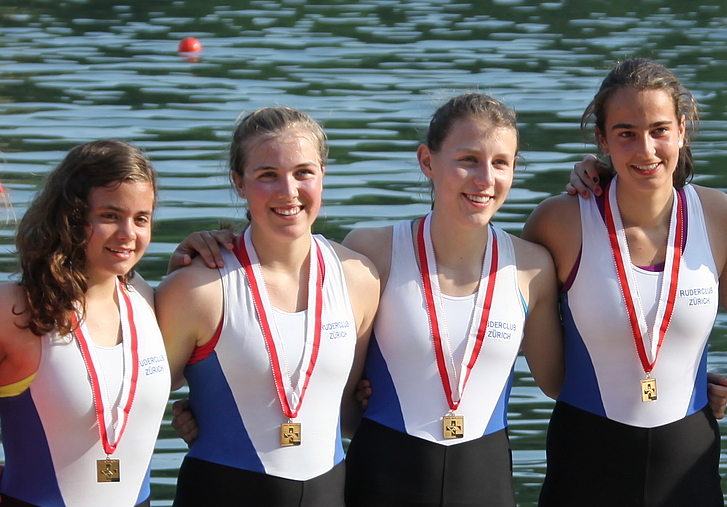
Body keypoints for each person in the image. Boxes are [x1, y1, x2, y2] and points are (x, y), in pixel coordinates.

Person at [522, 57, 727, 506]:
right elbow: (499, 322)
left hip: (689, 462)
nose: (646, 149)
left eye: (659, 130)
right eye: (626, 133)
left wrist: (679, 375)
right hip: (586, 461)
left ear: (682, 129)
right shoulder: (560, 222)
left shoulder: (718, 215)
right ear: (602, 140)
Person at [339, 93, 564, 506]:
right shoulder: (372, 252)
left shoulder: (532, 267)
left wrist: (688, 379)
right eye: (468, 160)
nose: (484, 179)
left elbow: (560, 384)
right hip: (380, 481)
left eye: (500, 163)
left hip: (486, 484)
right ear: (427, 161)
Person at [155, 106, 379, 506]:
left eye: (303, 172)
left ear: (323, 175)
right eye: (267, 175)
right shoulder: (196, 289)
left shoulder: (360, 279)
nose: (288, 191)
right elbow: (143, 397)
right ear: (238, 183)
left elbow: (348, 408)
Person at [0, 140, 170, 507]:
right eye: (110, 216)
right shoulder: (15, 308)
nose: (128, 233)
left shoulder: (145, 297)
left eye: (141, 218)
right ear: (72, 216)